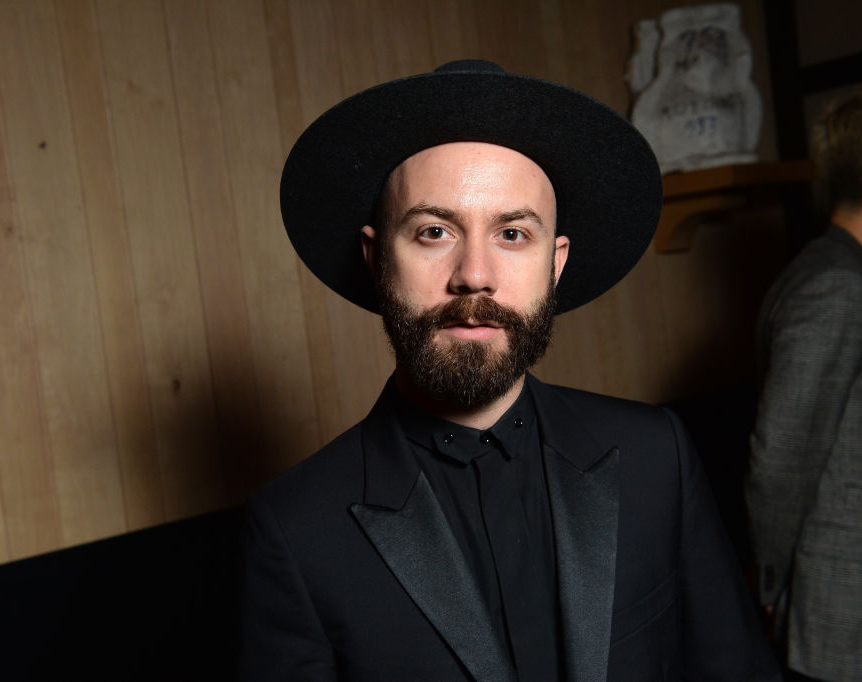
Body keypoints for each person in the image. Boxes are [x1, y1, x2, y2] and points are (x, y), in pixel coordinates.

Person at [242, 60, 779, 681]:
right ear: (376, 258)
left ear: (556, 263)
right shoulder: (296, 529)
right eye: (434, 231)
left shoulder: (657, 456)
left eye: (513, 234)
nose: (475, 275)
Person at [746, 84, 862, 682]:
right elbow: (781, 459)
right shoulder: (834, 286)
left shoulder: (857, 275)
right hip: (851, 620)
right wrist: (769, 584)